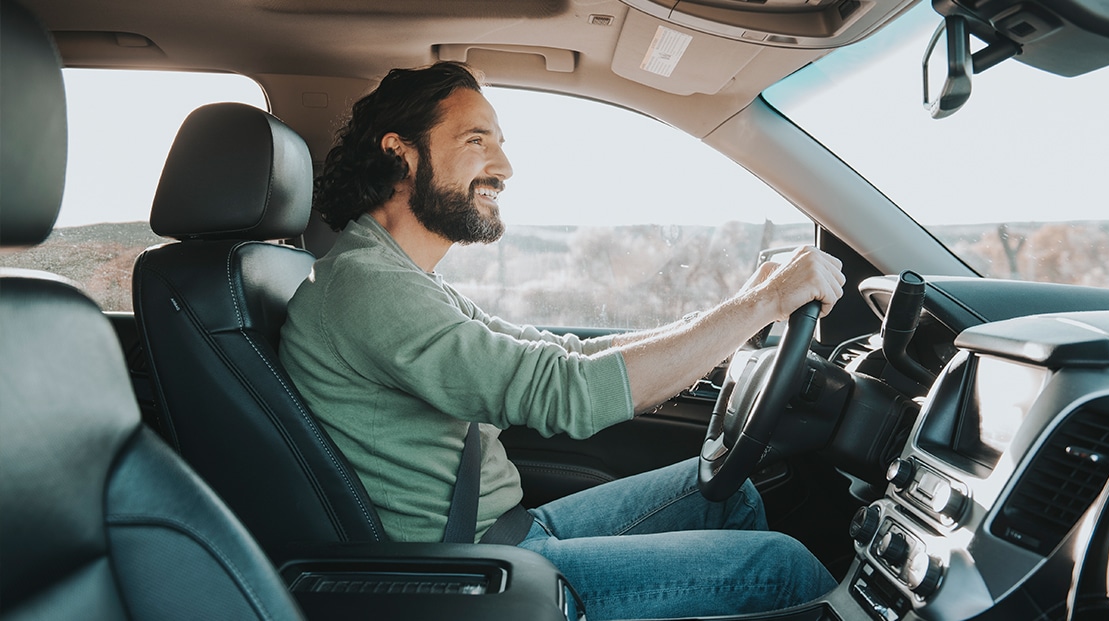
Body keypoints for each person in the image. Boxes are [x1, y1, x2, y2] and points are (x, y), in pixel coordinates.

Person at [279, 61, 845, 620]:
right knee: (780, 568)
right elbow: (561, 389)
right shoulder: (369, 287)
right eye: (477, 140)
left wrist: (730, 319)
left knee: (729, 495)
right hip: (472, 573)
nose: (503, 166)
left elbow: (560, 352)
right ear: (399, 151)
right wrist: (760, 305)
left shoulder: (401, 278)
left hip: (507, 533)